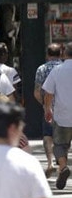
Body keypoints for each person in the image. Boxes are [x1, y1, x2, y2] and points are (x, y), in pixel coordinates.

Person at [44, 41, 72, 190]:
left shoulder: (57, 71)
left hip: (62, 116)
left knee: (60, 145)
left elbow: (48, 93)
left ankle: (63, 166)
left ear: (63, 54)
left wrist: (47, 109)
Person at [35, 43, 63, 178]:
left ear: (47, 55)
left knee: (47, 136)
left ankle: (50, 163)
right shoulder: (65, 68)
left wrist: (45, 105)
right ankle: (61, 163)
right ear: (60, 54)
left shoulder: (41, 69)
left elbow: (36, 91)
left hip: (48, 109)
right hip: (65, 109)